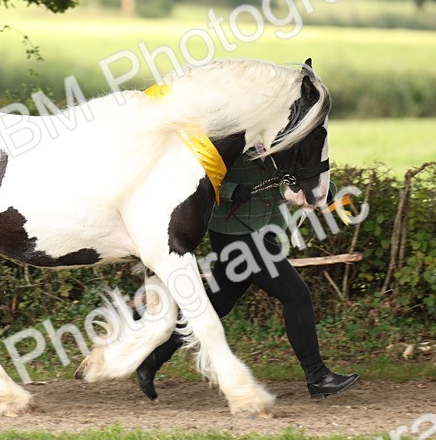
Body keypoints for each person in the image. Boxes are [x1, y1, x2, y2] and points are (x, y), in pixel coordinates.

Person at [135, 130, 360, 401]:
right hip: (235, 234)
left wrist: (326, 193)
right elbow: (203, 172)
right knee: (296, 295)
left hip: (264, 230)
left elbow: (293, 172)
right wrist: (231, 191)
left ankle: (150, 360)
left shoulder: (279, 133)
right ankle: (317, 376)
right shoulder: (231, 132)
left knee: (216, 305)